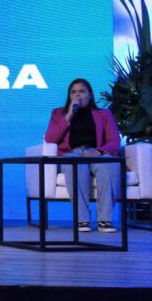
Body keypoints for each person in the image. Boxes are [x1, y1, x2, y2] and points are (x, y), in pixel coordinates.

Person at [43, 78, 120, 232]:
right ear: (69, 96)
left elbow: (114, 141)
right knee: (76, 167)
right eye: (73, 92)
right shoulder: (59, 114)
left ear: (90, 95)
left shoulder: (104, 114)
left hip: (97, 152)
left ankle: (105, 220)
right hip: (71, 153)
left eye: (81, 91)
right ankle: (82, 220)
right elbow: (50, 139)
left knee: (108, 166)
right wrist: (69, 115)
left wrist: (98, 151)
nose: (77, 95)